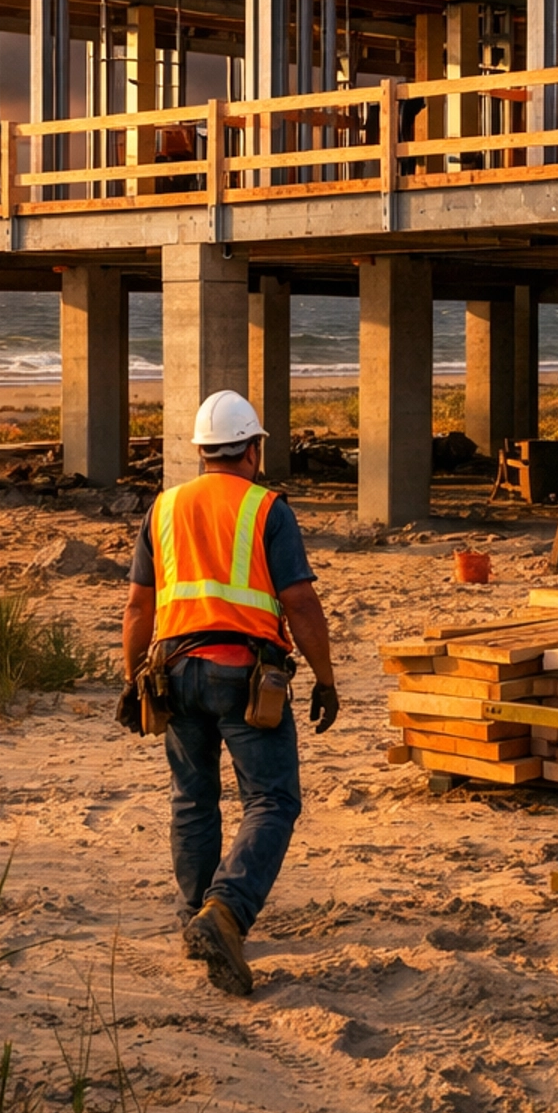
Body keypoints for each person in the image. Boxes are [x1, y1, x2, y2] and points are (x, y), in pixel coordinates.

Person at [117, 390, 339, 997]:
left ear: (202, 451)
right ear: (254, 448)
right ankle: (226, 912)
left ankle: (196, 917)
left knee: (192, 798)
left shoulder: (162, 508)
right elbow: (299, 603)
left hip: (172, 671)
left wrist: (131, 675)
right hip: (243, 675)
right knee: (271, 801)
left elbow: (138, 604)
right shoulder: (267, 509)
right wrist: (324, 677)